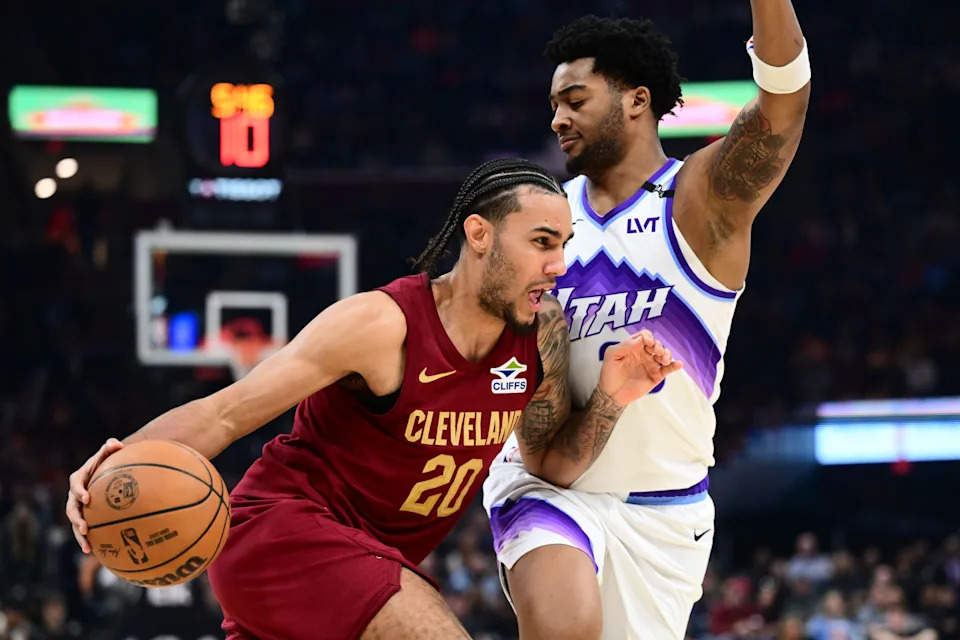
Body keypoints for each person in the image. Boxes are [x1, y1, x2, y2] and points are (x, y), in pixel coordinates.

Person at [65, 158, 683, 640]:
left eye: (564, 244)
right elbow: (228, 411)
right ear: (479, 235)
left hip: (357, 567)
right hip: (285, 533)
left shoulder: (541, 332)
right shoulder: (381, 325)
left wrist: (611, 398)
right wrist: (111, 471)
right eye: (543, 242)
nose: (559, 263)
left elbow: (551, 464)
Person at [483, 6, 812, 639]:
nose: (558, 118)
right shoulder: (537, 224)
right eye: (553, 104)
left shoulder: (700, 201)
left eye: (575, 99)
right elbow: (548, 456)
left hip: (666, 515)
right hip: (547, 487)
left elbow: (784, 104)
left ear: (637, 100)